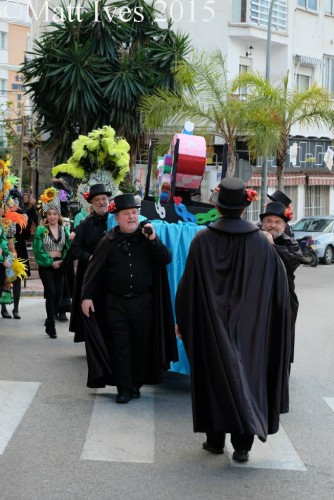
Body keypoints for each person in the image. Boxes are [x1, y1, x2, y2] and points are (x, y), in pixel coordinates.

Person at [175, 177, 291, 463]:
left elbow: (187, 286)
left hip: (209, 326)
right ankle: (242, 446)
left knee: (212, 377)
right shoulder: (261, 243)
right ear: (244, 207)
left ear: (217, 206)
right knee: (248, 378)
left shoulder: (202, 239)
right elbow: (277, 290)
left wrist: (183, 320)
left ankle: (215, 441)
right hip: (250, 327)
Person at [81, 193, 178, 403]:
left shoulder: (148, 236)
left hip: (143, 303)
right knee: (120, 345)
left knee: (140, 345)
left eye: (134, 213)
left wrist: (153, 239)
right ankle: (124, 389)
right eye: (127, 214)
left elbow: (166, 258)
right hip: (115, 304)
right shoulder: (108, 241)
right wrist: (86, 296)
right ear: (117, 218)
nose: (132, 217)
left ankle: (135, 384)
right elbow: (94, 272)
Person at [260, 201, 303, 365]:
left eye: (277, 222)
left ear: (284, 225)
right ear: (262, 223)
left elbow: (292, 262)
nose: (272, 225)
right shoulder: (254, 238)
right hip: (259, 297)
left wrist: (272, 245)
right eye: (269, 221)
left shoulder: (290, 243)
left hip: (284, 297)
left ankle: (281, 367)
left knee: (282, 335)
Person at [69, 183, 112, 342]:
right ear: (92, 203)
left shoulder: (114, 220)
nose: (102, 202)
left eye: (104, 199)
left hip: (110, 273)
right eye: (98, 200)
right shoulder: (86, 224)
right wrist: (90, 257)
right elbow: (75, 249)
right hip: (91, 273)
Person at [33, 188, 71, 339]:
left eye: (55, 214)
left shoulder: (64, 229)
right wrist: (50, 262)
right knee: (52, 293)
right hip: (47, 266)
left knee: (59, 296)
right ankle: (51, 324)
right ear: (46, 215)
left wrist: (63, 262)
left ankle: (50, 318)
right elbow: (38, 250)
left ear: (59, 215)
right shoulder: (41, 230)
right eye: (49, 214)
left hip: (60, 265)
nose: (52, 216)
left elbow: (68, 247)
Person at [1, 190, 30, 319]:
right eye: (10, 204)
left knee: (17, 279)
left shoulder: (22, 217)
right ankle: (4, 307)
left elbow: (27, 236)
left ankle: (16, 309)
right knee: (5, 279)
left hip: (19, 251)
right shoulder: (2, 220)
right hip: (6, 252)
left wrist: (25, 223)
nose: (13, 207)